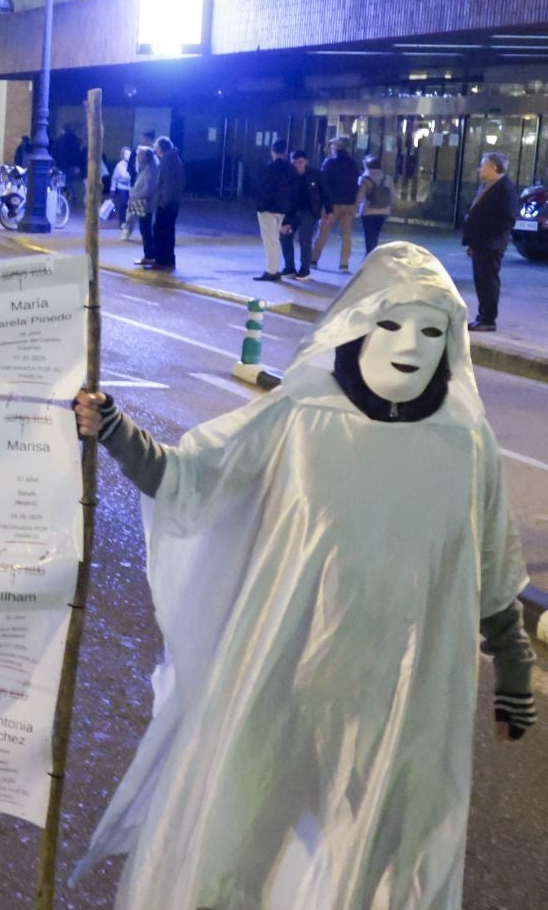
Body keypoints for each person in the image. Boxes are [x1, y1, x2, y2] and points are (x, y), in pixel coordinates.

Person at [74, 242, 535, 909]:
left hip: (407, 705)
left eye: (433, 329)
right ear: (356, 328)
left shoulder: (466, 443)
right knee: (232, 854)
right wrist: (114, 429)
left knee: (395, 870)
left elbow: (491, 568)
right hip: (284, 684)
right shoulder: (299, 416)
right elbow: (192, 478)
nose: (411, 344)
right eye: (392, 324)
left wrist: (514, 671)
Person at [461, 151, 519, 332]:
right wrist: (472, 242)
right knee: (481, 280)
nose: (479, 169)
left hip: (490, 244)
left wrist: (488, 237)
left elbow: (508, 218)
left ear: (493, 167)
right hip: (481, 243)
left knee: (488, 281)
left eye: (483, 165)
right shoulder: (487, 185)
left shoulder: (504, 188)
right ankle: (482, 316)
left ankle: (488, 319)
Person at [309, 137, 362, 273]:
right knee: (346, 235)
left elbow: (323, 183)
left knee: (323, 232)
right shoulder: (353, 164)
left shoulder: (329, 163)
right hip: (349, 204)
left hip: (332, 204)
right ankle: (344, 264)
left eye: (332, 145)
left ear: (337, 147)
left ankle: (314, 259)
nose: (331, 148)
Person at [252, 139, 295, 282]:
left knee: (269, 240)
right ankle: (274, 268)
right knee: (275, 239)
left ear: (273, 151)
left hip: (268, 208)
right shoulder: (290, 169)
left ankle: (272, 270)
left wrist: (260, 205)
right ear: (285, 152)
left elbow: (263, 188)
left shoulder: (269, 167)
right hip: (282, 209)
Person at [283, 149, 325, 279]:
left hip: (309, 211)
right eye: (294, 162)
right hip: (292, 212)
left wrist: (328, 210)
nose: (297, 165)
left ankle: (304, 269)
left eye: (300, 162)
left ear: (306, 162)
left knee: (304, 239)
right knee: (284, 236)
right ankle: (289, 267)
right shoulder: (288, 175)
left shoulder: (315, 174)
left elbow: (324, 192)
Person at [145, 136, 183, 270]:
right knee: (168, 231)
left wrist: (161, 202)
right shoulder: (174, 159)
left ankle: (161, 260)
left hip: (166, 202)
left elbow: (165, 184)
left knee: (161, 231)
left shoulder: (167, 161)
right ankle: (167, 259)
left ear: (161, 148)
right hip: (172, 201)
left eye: (156, 148)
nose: (155, 151)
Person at [358, 154, 395, 255]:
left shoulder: (364, 178)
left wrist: (355, 206)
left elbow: (360, 196)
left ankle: (369, 255)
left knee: (369, 235)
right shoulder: (387, 178)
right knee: (376, 233)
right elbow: (393, 195)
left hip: (367, 211)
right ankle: (372, 253)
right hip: (383, 211)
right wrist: (388, 206)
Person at [126, 146, 157, 261]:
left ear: (146, 157)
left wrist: (134, 194)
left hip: (146, 205)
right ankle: (149, 254)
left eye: (140, 155)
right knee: (145, 229)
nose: (138, 157)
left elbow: (147, 189)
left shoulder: (149, 170)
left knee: (146, 230)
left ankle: (149, 255)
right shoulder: (146, 168)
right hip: (144, 204)